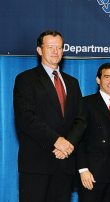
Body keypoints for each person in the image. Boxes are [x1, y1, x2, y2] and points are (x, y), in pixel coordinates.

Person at [13, 30, 86, 202]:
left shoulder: (72, 82)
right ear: (39, 50)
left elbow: (81, 119)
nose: (55, 51)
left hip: (65, 163)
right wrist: (56, 141)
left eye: (59, 47)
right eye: (50, 47)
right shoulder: (25, 79)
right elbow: (26, 118)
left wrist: (68, 144)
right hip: (36, 164)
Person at [77, 63, 110, 202]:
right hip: (92, 174)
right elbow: (78, 139)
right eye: (107, 77)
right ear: (98, 80)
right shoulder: (85, 103)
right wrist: (83, 169)